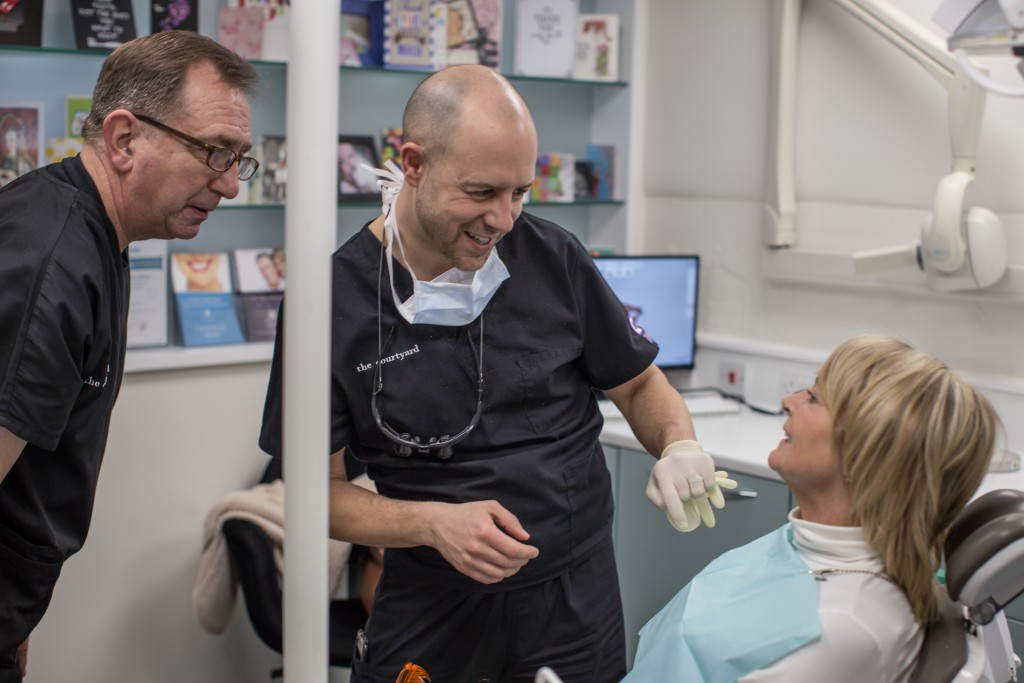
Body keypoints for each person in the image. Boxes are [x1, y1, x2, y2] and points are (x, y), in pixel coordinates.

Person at [260, 64, 725, 683]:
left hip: (573, 601)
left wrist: (678, 443)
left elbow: (638, 383)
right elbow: (315, 492)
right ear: (414, 164)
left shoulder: (552, 257)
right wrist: (431, 524)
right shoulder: (332, 301)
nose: (503, 219)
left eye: (520, 193)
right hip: (433, 602)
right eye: (481, 193)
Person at [0, 30, 258, 682]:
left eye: (239, 158)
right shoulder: (52, 262)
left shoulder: (91, 235)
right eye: (213, 152)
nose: (229, 184)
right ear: (123, 139)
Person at [623, 334, 1000, 683]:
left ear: (866, 456)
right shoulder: (813, 540)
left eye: (814, 399)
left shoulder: (843, 627)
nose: (788, 401)